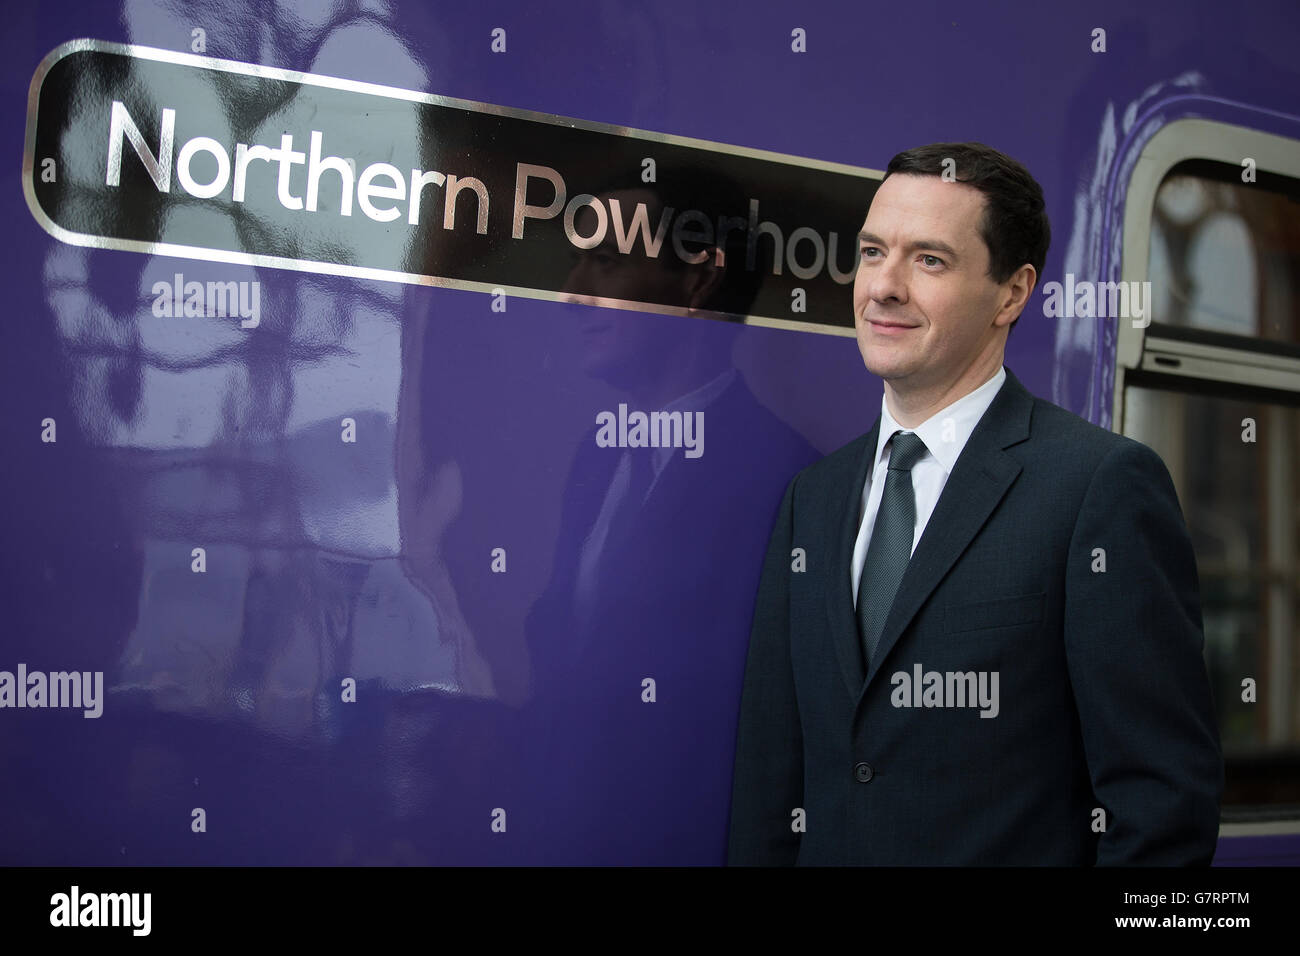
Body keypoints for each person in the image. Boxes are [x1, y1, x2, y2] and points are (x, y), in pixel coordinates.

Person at [727, 142, 1223, 865]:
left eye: (928, 260)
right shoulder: (816, 499)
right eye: (872, 252)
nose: (883, 287)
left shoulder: (1100, 487)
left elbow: (1163, 808)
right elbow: (770, 783)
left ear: (1012, 293)